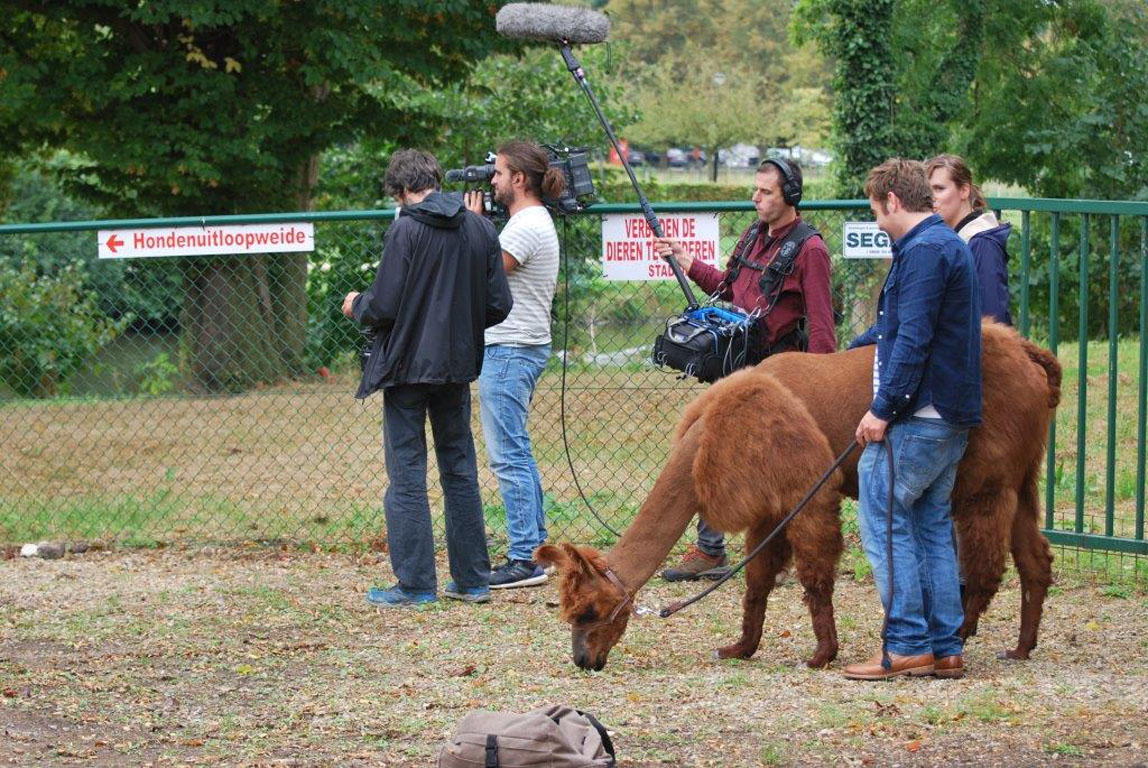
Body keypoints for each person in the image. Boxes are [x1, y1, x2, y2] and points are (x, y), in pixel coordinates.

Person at [342, 148, 513, 608]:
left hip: (406, 367)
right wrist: (461, 324)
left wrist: (357, 304)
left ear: (401, 190)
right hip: (456, 365)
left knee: (407, 472)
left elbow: (384, 305)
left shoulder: (405, 229)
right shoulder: (480, 228)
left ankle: (416, 585)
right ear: (436, 179)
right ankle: (473, 579)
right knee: (459, 469)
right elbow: (500, 304)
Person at [653, 157, 836, 582]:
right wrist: (686, 261)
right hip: (738, 368)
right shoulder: (754, 235)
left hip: (778, 376)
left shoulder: (810, 249)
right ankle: (710, 550)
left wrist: (821, 390)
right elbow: (728, 287)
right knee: (712, 448)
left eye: (766, 191)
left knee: (778, 466)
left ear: (790, 195)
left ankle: (779, 556)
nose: (755, 197)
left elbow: (822, 327)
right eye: (756, 189)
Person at [843, 158, 982, 681]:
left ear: (893, 201)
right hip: (949, 415)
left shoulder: (924, 251)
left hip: (921, 415)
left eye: (876, 210)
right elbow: (897, 327)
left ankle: (906, 643)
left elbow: (915, 339)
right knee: (929, 526)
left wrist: (882, 409)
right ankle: (945, 646)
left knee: (882, 519)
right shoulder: (945, 243)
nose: (876, 220)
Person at [463, 141, 564, 589]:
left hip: (511, 348)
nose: (493, 180)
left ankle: (525, 557)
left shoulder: (526, 225)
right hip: (516, 346)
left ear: (519, 179)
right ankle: (536, 549)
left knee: (508, 456)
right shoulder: (527, 222)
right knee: (515, 451)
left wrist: (474, 227)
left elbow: (482, 273)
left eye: (499, 173)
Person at [926, 154, 1012, 325]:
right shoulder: (955, 238)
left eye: (939, 189)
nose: (931, 197)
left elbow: (992, 319)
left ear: (964, 191)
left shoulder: (982, 242)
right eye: (928, 191)